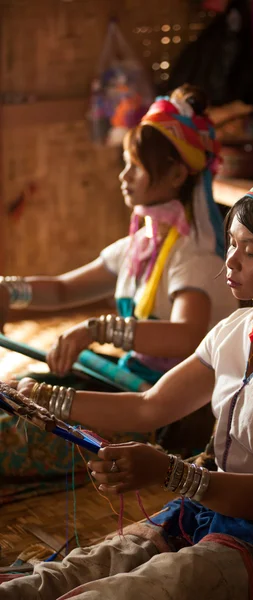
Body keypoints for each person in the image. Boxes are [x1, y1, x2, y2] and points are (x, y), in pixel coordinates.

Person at [2, 142, 253, 599]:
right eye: (232, 244)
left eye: (251, 251)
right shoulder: (234, 331)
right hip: (212, 507)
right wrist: (39, 398)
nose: (231, 261)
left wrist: (168, 471)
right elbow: (149, 406)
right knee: (69, 573)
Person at [0, 85, 237, 499]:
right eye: (125, 164)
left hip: (164, 413)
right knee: (17, 395)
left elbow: (187, 334)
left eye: (134, 166)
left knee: (16, 433)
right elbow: (60, 290)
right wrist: (8, 288)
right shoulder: (140, 246)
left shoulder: (195, 257)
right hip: (125, 384)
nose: (123, 175)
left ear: (177, 174)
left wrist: (96, 329)